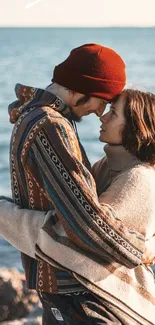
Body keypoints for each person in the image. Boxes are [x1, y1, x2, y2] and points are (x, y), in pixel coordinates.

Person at [0, 44, 154, 324]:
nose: (99, 112)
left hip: (64, 284)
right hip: (72, 288)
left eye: (110, 108)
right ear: (83, 89)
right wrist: (140, 250)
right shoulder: (49, 126)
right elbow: (87, 223)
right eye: (102, 101)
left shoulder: (39, 118)